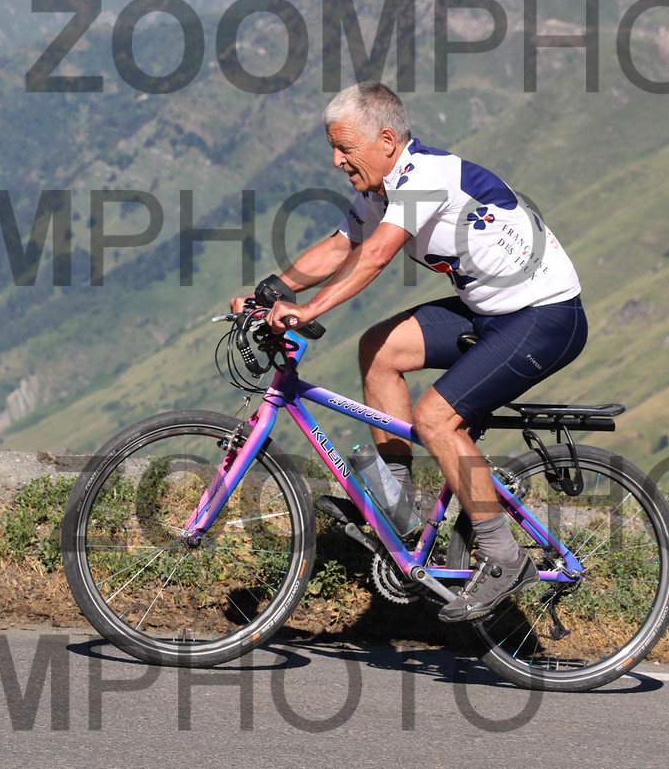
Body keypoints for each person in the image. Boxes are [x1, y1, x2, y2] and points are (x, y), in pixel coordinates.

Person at [231, 81, 587, 622]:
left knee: (436, 418)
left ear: (386, 141)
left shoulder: (426, 178)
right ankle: (398, 507)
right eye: (333, 148)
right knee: (379, 348)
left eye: (345, 148)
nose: (336, 161)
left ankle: (503, 556)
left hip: (545, 316)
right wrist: (270, 292)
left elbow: (375, 255)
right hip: (489, 310)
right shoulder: (380, 190)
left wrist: (309, 310)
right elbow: (341, 246)